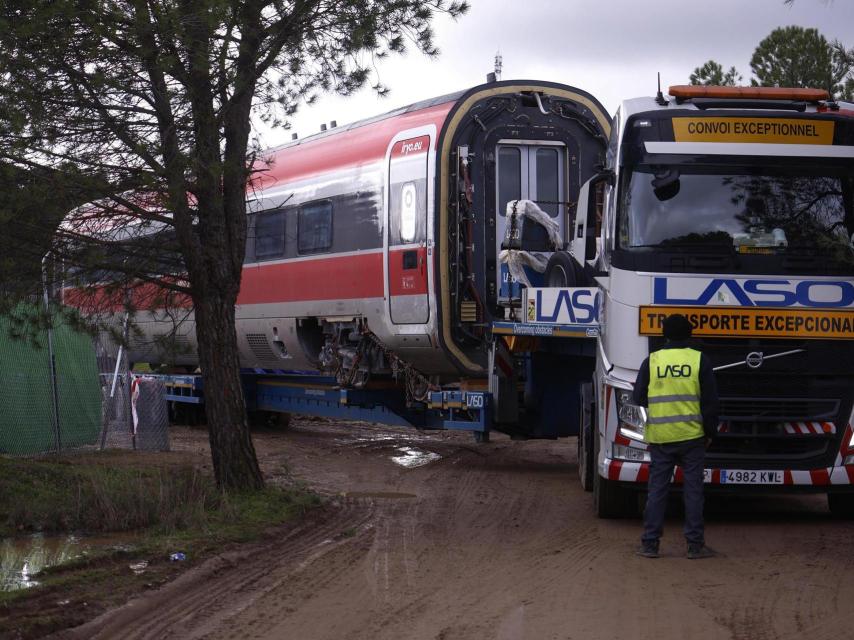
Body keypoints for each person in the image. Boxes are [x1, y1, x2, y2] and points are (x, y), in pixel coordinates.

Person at [633, 313, 719, 559]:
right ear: (689, 334)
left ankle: (650, 544)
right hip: (692, 437)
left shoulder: (652, 360)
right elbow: (711, 403)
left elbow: (638, 397)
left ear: (665, 334)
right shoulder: (699, 360)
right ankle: (695, 546)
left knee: (657, 491)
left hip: (661, 437)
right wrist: (710, 433)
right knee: (693, 491)